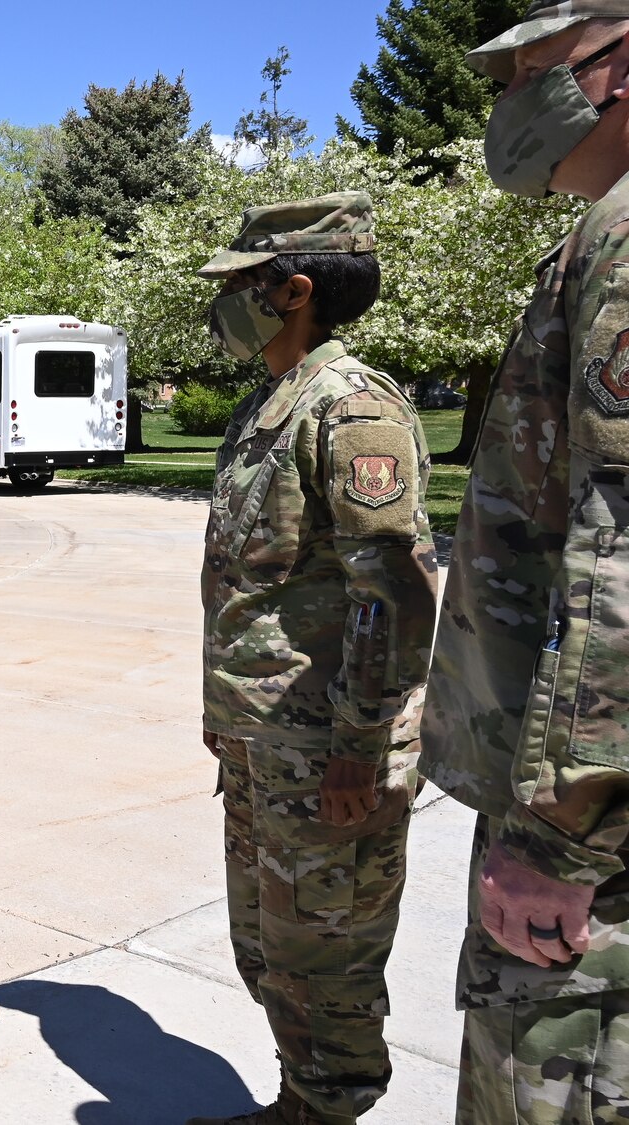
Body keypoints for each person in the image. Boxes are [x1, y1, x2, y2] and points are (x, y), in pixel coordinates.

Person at [185, 193, 438, 1125]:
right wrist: (226, 717)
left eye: (241, 286)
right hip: (266, 743)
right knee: (268, 947)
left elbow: (393, 594)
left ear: (295, 290)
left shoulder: (352, 409)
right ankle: (301, 1100)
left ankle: (327, 1108)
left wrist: (358, 747)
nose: (223, 304)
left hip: (330, 748)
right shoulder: (269, 405)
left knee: (325, 961)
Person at [427, 6, 629, 1119]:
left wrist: (557, 830)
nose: (506, 109)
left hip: (592, 848)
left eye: (527, 75)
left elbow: (621, 544)